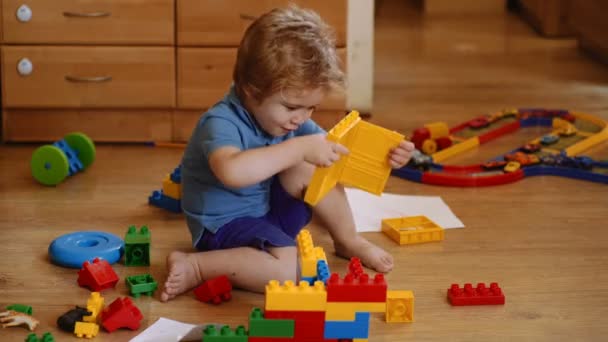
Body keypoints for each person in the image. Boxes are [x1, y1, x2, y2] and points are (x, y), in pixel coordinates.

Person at [160, 5, 414, 302]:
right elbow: (232, 172)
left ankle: (348, 240)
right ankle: (198, 266)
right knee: (287, 271)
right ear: (252, 91)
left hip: (266, 214)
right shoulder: (221, 122)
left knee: (311, 168)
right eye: (292, 107)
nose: (301, 118)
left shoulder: (291, 120)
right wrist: (298, 148)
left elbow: (331, 153)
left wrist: (386, 157)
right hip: (222, 229)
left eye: (311, 108)